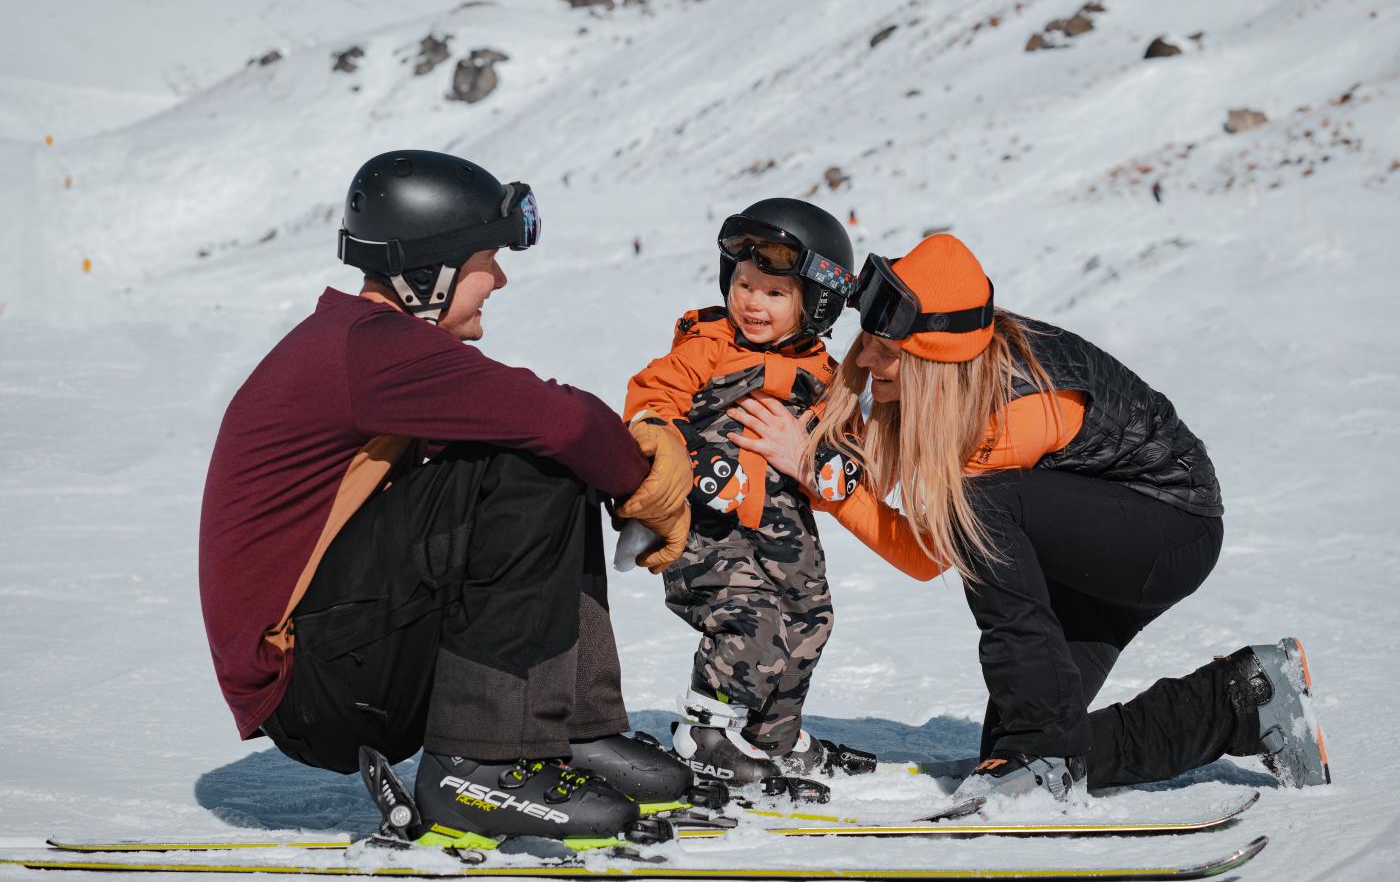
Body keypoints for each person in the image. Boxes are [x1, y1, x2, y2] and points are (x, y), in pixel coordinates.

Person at [198, 150, 697, 848]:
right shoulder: (368, 350)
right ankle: (482, 767)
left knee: (537, 449)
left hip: (334, 658)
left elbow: (562, 427)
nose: (499, 276)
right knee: (535, 455)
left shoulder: (363, 342)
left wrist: (628, 453)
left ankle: (559, 730)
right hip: (309, 687)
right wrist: (653, 486)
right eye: (485, 258)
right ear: (427, 270)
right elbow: (564, 421)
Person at [726, 233, 1331, 799]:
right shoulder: (946, 386)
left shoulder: (1014, 412)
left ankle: (1042, 754)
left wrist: (820, 476)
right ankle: (1246, 701)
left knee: (984, 525)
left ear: (936, 366)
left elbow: (928, 553)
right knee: (1020, 746)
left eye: (889, 355)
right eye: (869, 344)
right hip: (1087, 544)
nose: (867, 363)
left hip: (1168, 530)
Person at [622, 198, 873, 793]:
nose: (751, 303)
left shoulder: (828, 376)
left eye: (774, 293)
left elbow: (852, 447)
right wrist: (690, 453)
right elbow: (649, 403)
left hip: (784, 528)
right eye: (743, 284)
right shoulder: (706, 347)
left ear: (816, 302)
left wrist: (831, 467)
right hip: (707, 525)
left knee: (810, 620)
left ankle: (770, 739)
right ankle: (707, 735)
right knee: (749, 618)